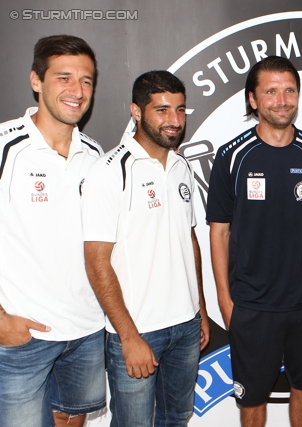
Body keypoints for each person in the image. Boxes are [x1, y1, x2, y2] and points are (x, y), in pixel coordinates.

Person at [207, 55, 302, 427]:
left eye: (289, 91)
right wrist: (225, 299)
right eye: (271, 92)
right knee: (252, 400)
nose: (282, 100)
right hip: (252, 306)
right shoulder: (231, 156)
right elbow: (219, 231)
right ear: (253, 99)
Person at [82, 70, 209, 426]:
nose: (174, 121)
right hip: (138, 330)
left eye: (181, 110)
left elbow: (190, 240)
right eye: (162, 110)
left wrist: (198, 308)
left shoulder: (182, 166)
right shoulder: (108, 171)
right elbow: (96, 262)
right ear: (136, 112)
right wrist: (128, 336)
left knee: (176, 419)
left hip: (185, 327)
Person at [0, 35, 105, 427]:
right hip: (23, 336)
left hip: (87, 330)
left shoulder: (96, 156)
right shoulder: (6, 147)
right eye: (64, 78)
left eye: (87, 81)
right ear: (36, 81)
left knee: (72, 421)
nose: (77, 91)